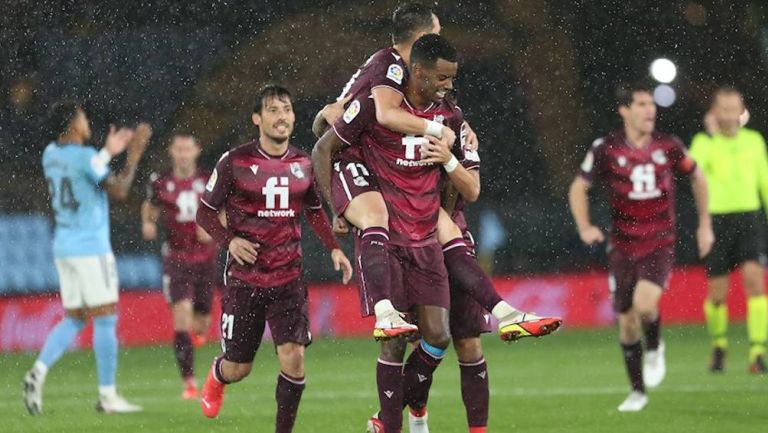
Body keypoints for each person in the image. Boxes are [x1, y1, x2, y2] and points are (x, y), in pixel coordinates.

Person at [311, 1, 559, 345]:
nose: (442, 41)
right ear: (424, 38)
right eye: (437, 34)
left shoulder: (401, 72)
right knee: (377, 217)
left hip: (385, 162)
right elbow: (381, 114)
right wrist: (436, 129)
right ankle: (385, 312)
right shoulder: (390, 65)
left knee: (445, 227)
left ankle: (506, 314)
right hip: (354, 157)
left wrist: (457, 125)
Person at [195, 85, 353, 433]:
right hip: (245, 280)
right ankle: (217, 376)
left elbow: (313, 211)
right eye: (273, 110)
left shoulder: (303, 163)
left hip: (288, 278)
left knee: (294, 360)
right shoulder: (234, 161)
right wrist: (230, 241)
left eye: (286, 110)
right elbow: (205, 214)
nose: (282, 117)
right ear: (257, 118)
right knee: (240, 367)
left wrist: (334, 249)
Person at [568, 83, 713, 412]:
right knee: (628, 321)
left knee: (645, 306)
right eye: (642, 104)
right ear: (625, 110)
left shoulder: (668, 145)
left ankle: (656, 347)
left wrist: (705, 224)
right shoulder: (606, 148)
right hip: (621, 246)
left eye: (652, 104)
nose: (650, 110)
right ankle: (637, 392)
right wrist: (585, 226)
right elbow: (578, 188)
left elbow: (698, 177)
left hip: (660, 241)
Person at [24, 101, 151, 414]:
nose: (87, 123)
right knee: (106, 317)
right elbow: (119, 190)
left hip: (64, 247)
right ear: (73, 125)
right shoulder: (85, 157)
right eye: (82, 118)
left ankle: (37, 372)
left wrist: (107, 153)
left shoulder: (50, 155)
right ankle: (107, 396)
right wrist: (132, 158)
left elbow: (85, 170)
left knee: (76, 317)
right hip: (90, 247)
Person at [690, 87, 768, 374]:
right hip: (717, 221)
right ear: (714, 112)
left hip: (749, 219)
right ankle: (719, 344)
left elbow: (765, 180)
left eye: (734, 107)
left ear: (741, 110)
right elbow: (693, 172)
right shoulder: (704, 142)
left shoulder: (754, 141)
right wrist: (709, 137)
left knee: (756, 284)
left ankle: (758, 351)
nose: (729, 114)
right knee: (718, 295)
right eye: (723, 108)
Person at [142, 132, 219, 399]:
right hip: (176, 259)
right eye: (179, 149)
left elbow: (222, 210)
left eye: (188, 149)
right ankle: (189, 382)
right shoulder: (160, 182)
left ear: (197, 151)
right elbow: (149, 206)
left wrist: (213, 229)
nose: (183, 154)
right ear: (171, 152)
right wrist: (148, 223)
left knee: (202, 323)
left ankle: (195, 337)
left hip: (206, 259)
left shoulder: (209, 179)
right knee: (182, 317)